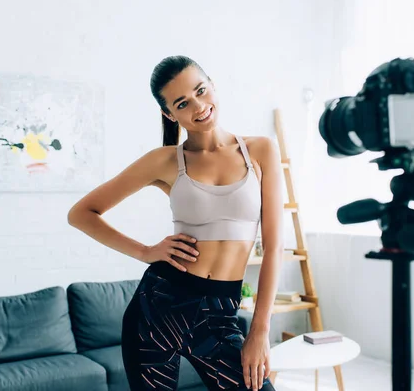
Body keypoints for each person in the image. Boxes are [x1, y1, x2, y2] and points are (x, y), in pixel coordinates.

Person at [67, 55, 283, 391]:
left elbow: (273, 248)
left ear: (212, 84)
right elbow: (81, 213)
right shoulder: (165, 160)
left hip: (220, 314)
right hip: (158, 309)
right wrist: (144, 251)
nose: (199, 106)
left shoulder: (260, 150)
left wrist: (260, 330)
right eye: (183, 103)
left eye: (201, 91)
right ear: (170, 113)